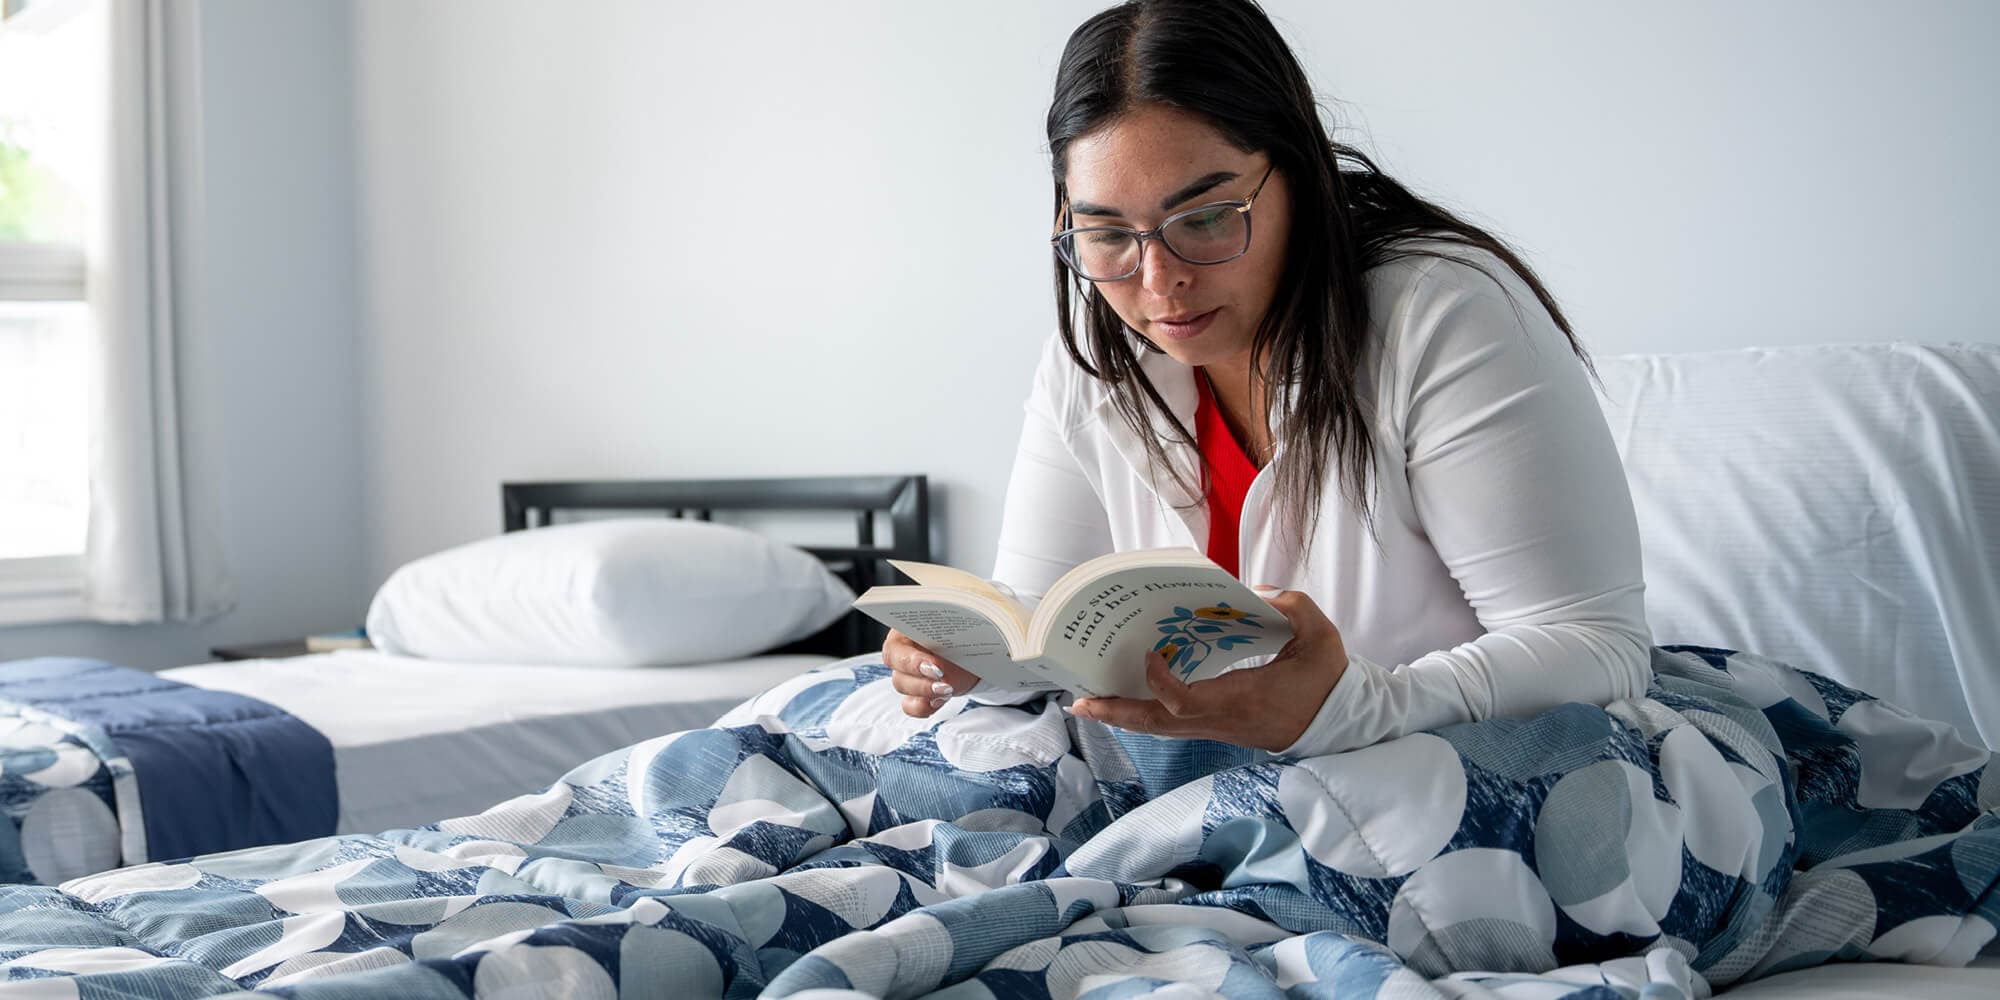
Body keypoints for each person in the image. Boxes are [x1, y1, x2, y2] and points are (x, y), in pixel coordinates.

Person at [883, 0, 1652, 757]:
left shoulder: (1442, 313)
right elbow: (1039, 623)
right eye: (1107, 233)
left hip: (1437, 750)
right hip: (1185, 767)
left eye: (1208, 217)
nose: (1158, 281)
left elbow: (1598, 643)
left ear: (1299, 174)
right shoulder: (1096, 344)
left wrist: (1358, 707)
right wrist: (964, 659)